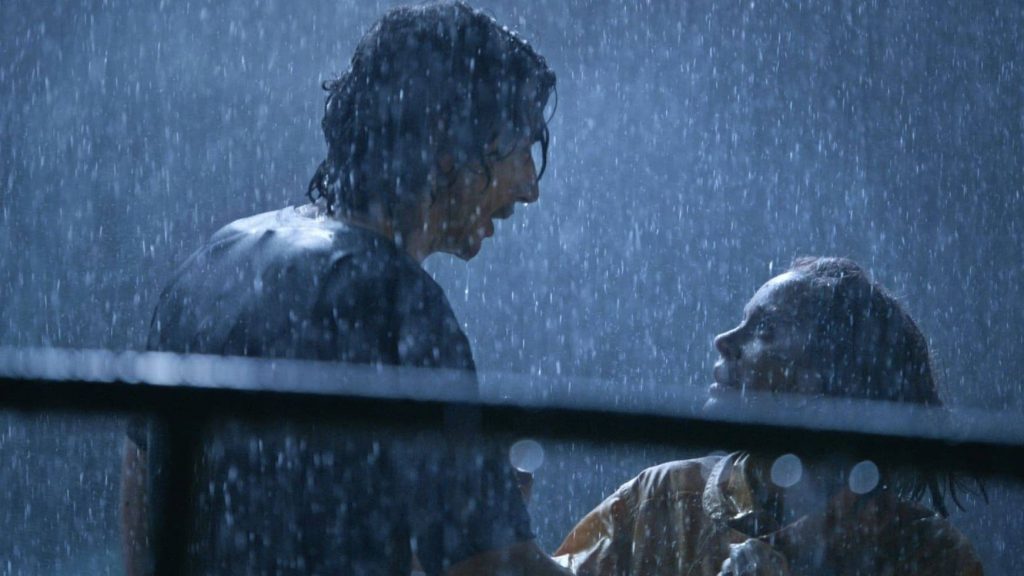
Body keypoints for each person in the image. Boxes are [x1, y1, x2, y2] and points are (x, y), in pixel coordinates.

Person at [120, 3, 570, 575]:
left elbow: (145, 518)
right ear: (448, 143)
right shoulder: (396, 303)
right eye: (521, 147)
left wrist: (465, 498)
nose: (530, 186)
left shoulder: (217, 259)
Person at [552, 257, 984, 576]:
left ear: (828, 377)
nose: (723, 340)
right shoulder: (659, 500)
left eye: (764, 329)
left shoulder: (928, 554)